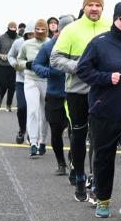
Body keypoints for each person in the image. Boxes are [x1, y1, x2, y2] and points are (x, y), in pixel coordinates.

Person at [76, 2, 121, 220]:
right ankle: (103, 198)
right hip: (103, 110)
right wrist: (106, 78)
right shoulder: (100, 43)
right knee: (103, 158)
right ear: (115, 19)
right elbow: (82, 69)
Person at [51, 0, 112, 202]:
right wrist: (80, 67)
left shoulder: (110, 28)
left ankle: (94, 182)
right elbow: (55, 59)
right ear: (84, 7)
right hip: (76, 91)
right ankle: (79, 176)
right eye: (90, 5)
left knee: (98, 137)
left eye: (98, 5)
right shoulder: (71, 29)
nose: (94, 9)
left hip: (102, 91)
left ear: (103, 8)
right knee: (78, 136)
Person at [32, 15, 74, 175]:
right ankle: (61, 164)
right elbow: (36, 64)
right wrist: (49, 72)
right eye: (66, 29)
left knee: (75, 132)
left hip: (74, 95)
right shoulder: (49, 47)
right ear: (60, 29)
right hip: (55, 95)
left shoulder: (78, 44)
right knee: (56, 132)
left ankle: (73, 160)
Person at [17, 20, 51, 157]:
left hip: (47, 81)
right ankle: (33, 143)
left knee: (45, 114)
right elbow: (18, 61)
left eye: (43, 29)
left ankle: (43, 141)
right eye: (38, 29)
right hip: (30, 79)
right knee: (32, 111)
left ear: (47, 30)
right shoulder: (26, 44)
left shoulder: (51, 44)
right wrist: (27, 64)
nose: (40, 31)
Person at [8, 31, 30, 144]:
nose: (32, 36)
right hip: (21, 80)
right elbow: (10, 55)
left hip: (35, 80)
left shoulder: (44, 43)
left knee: (33, 109)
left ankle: (31, 134)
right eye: (29, 34)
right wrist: (14, 64)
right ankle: (22, 129)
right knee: (22, 107)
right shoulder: (18, 43)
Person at [0, 21, 18, 111]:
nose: (13, 29)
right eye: (11, 27)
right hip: (2, 65)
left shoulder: (19, 39)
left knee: (12, 87)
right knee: (3, 85)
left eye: (14, 27)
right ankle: (1, 97)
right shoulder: (1, 38)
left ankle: (8, 105)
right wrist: (0, 55)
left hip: (14, 66)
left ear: (16, 28)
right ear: (8, 27)